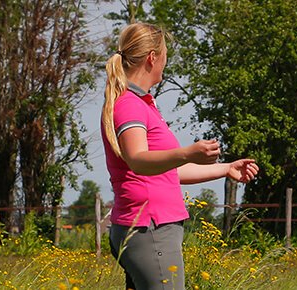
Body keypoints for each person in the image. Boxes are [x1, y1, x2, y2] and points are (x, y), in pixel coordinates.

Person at [101, 22, 260, 290]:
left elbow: (168, 171)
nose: (165, 62)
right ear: (152, 57)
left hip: (149, 228)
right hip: (150, 228)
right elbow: (137, 159)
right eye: (165, 56)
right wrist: (188, 152)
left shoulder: (140, 104)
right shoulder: (129, 105)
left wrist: (226, 168)